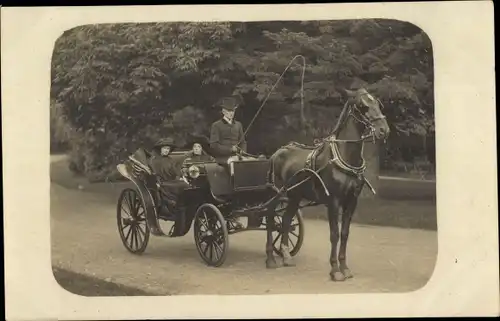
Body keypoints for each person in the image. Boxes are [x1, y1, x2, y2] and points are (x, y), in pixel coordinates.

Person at [149, 137, 189, 209]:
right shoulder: (154, 160)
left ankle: (184, 204)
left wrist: (179, 177)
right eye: (164, 148)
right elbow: (154, 173)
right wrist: (157, 182)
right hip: (162, 182)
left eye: (168, 149)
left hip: (172, 180)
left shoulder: (170, 160)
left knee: (184, 185)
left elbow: (175, 171)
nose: (166, 150)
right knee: (171, 187)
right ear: (160, 149)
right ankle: (171, 203)